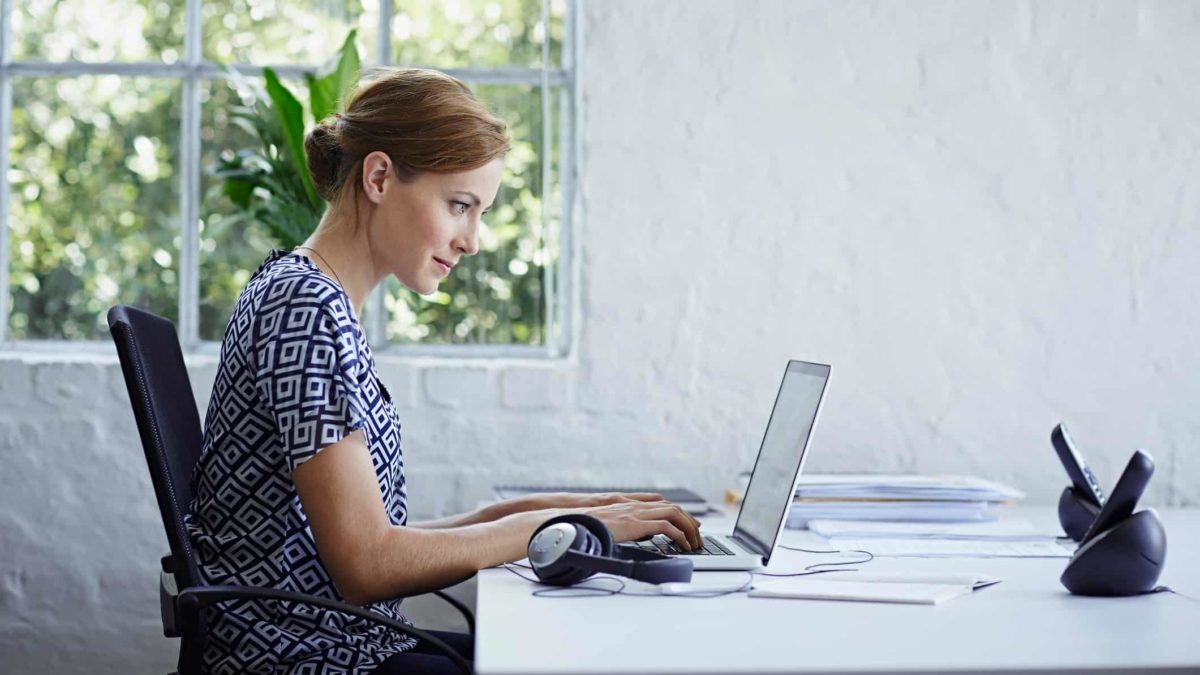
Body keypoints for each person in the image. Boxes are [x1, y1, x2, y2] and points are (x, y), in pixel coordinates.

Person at [186, 67, 702, 675]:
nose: (473, 240)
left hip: (341, 643)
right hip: (310, 659)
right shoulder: (306, 308)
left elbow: (376, 539)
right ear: (379, 177)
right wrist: (550, 523)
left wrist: (552, 511)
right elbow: (368, 565)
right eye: (460, 205)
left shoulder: (308, 295)